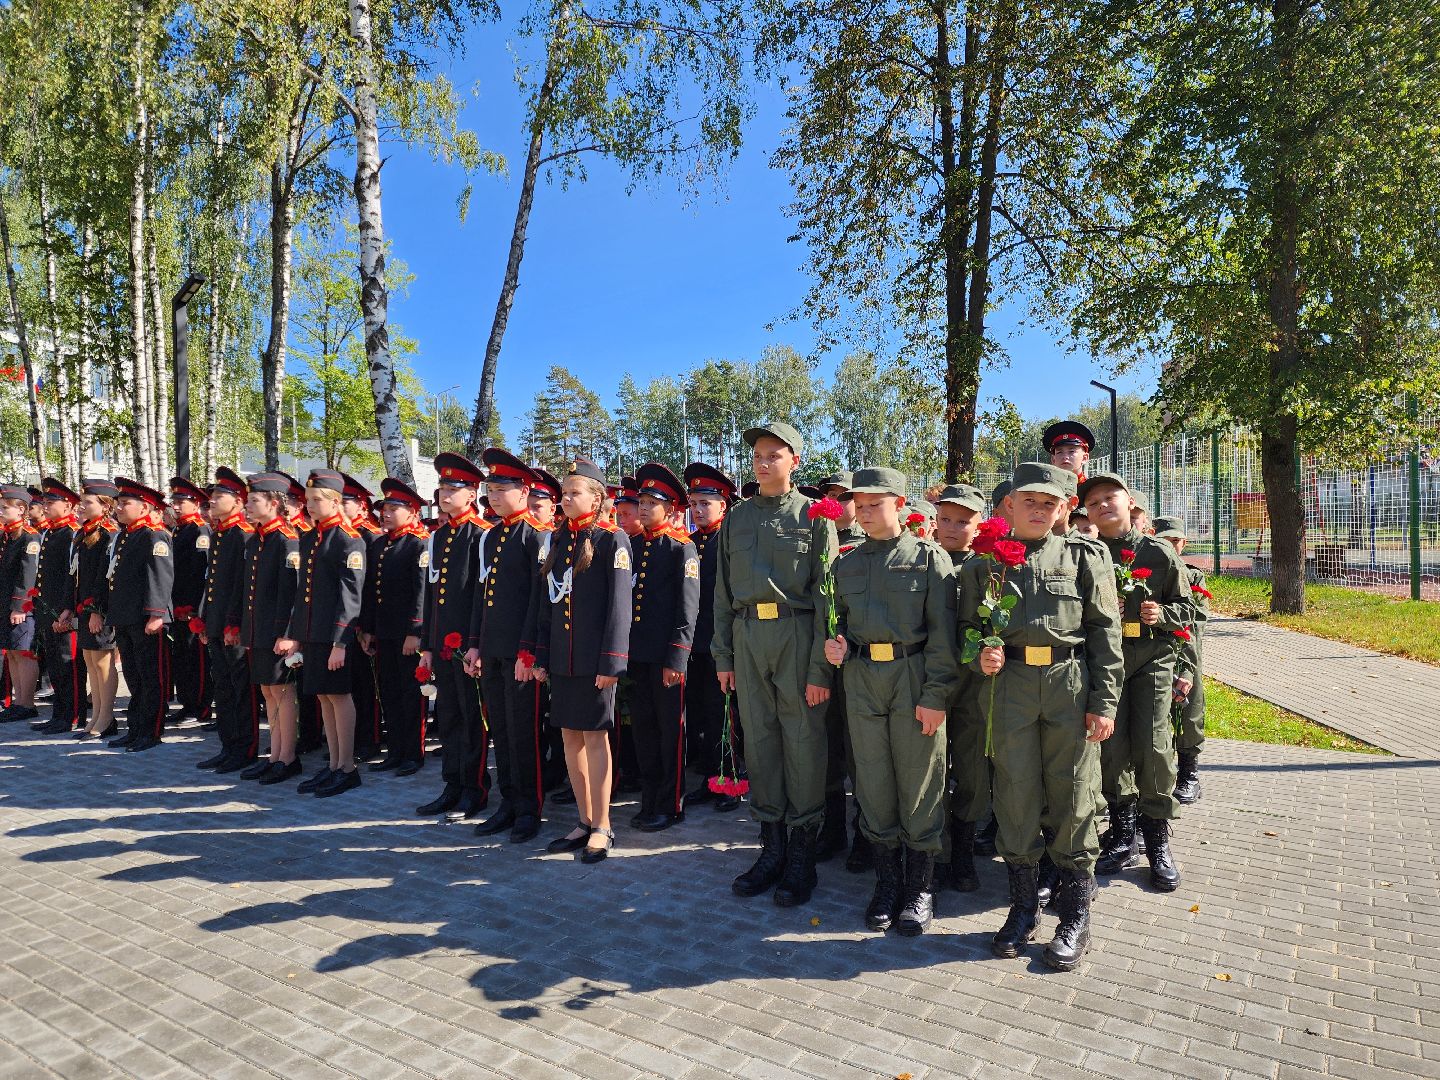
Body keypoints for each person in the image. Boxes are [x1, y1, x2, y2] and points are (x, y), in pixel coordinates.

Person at [960, 462, 1124, 969]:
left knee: (1075, 793)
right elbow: (965, 630)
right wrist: (979, 654)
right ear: (1008, 505)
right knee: (1014, 793)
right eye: (1028, 500)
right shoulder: (981, 565)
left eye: (1049, 503)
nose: (1038, 510)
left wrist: (1105, 701)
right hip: (1008, 689)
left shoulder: (1084, 557)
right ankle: (1023, 906)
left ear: (1064, 509)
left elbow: (1104, 631)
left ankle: (1075, 912)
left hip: (1068, 686)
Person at [823, 467, 958, 935]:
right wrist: (836, 646)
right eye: (858, 504)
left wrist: (936, 694)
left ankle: (920, 888)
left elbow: (944, 637)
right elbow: (836, 624)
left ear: (900, 505)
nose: (863, 511)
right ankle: (886, 882)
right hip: (861, 677)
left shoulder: (928, 559)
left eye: (874, 503)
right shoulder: (846, 563)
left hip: (913, 675)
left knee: (920, 780)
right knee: (873, 781)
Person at [713, 421, 838, 907]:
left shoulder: (814, 518)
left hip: (798, 634)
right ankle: (772, 850)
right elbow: (722, 594)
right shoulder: (737, 519)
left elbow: (827, 597)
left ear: (794, 461)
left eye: (774, 455)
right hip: (748, 636)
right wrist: (723, 655)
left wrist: (818, 670)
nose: (763, 463)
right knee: (760, 741)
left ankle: (802, 856)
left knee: (804, 743)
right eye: (758, 455)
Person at [1079, 472, 1194, 892]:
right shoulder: (1085, 553)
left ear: (1130, 503)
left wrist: (1161, 615)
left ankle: (1157, 838)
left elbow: (1189, 610)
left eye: (1111, 497)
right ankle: (1122, 832)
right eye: (1094, 502)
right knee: (1111, 748)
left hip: (1151, 658)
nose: (1103, 505)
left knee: (1153, 745)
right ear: (1086, 512)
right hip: (1105, 663)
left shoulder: (1159, 552)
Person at [519, 458, 632, 864]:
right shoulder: (558, 540)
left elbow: (620, 609)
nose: (566, 499)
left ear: (597, 498)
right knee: (569, 736)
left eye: (574, 493)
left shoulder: (611, 539)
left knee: (596, 738)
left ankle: (603, 825)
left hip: (595, 662)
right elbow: (546, 606)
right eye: (563, 494)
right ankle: (583, 820)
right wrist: (539, 655)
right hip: (563, 661)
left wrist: (612, 663)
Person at [464, 448, 548, 843]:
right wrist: (475, 645)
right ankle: (508, 801)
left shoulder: (536, 536)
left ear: (524, 490)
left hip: (520, 653)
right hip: (494, 650)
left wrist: (528, 651)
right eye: (490, 489)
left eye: (501, 488)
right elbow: (483, 595)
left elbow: (539, 599)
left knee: (524, 732)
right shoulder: (491, 536)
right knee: (499, 728)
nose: (493, 496)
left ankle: (530, 809)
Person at [277, 470, 366, 796]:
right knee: (324, 698)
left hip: (333, 638)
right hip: (313, 635)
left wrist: (341, 643)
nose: (311, 506)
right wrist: (297, 635)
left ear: (335, 501)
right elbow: (304, 594)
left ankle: (347, 767)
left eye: (317, 500)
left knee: (339, 698)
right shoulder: (312, 537)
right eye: (309, 501)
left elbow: (350, 596)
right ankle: (332, 766)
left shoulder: (347, 538)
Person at [416, 452, 492, 819]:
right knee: (448, 717)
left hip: (467, 647)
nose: (444, 495)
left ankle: (475, 789)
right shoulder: (440, 536)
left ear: (472, 492)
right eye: (442, 488)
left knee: (472, 719)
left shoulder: (482, 536)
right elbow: (433, 595)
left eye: (452, 488)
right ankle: (453, 784)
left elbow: (481, 596)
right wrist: (428, 646)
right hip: (443, 646)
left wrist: (475, 644)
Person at [625, 462, 699, 833]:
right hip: (638, 656)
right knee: (644, 729)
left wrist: (677, 657)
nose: (642, 508)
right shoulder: (635, 545)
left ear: (670, 509)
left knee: (670, 731)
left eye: (651, 502)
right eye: (641, 501)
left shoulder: (680, 549)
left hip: (666, 659)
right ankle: (649, 796)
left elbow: (687, 609)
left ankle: (671, 803)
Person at [932, 482, 988, 892]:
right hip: (930, 681)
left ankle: (964, 853)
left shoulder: (988, 568)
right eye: (945, 519)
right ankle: (931, 851)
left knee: (970, 768)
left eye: (963, 521)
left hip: (973, 685)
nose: (952, 528)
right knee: (929, 768)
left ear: (979, 524)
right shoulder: (921, 562)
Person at [360, 478, 430, 776]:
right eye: (384, 508)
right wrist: (368, 628)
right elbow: (371, 592)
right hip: (385, 631)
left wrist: (415, 631)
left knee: (410, 694)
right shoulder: (381, 544)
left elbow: (421, 591)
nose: (385, 513)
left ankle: (413, 753)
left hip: (406, 635)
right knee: (388, 691)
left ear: (413, 512)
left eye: (393, 508)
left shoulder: (418, 545)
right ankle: (396, 750)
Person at [681, 462, 740, 812]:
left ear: (723, 504)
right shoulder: (689, 543)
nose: (699, 510)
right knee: (701, 713)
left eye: (707, 503)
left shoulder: (729, 541)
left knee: (724, 714)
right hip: (695, 643)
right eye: (695, 503)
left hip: (722, 642)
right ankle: (708, 777)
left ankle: (729, 779)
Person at [102, 478, 175, 752]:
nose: (118, 508)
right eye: (118, 503)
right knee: (133, 676)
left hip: (146, 619)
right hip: (125, 616)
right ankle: (135, 728)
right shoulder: (127, 534)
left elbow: (160, 578)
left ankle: (151, 731)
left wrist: (156, 614)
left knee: (150, 676)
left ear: (145, 508)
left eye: (125, 504)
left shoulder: (155, 535)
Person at [237, 474, 301, 784]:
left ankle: (287, 757)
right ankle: (274, 754)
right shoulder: (258, 538)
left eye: (253, 501)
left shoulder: (286, 540)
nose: (247, 505)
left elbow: (291, 594)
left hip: (277, 631)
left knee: (282, 692)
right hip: (258, 629)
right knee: (267, 692)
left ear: (273, 503)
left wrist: (288, 634)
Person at [195, 468, 258, 773]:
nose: (212, 502)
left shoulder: (243, 534)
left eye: (219, 497)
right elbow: (213, 584)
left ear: (238, 501)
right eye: (212, 497)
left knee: (240, 690)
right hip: (217, 622)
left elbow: (242, 586)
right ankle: (227, 745)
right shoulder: (220, 532)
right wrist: (207, 620)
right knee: (222, 686)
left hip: (234, 626)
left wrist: (234, 623)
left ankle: (245, 749)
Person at [1153, 515, 1209, 804]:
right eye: (1165, 541)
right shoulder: (1149, 572)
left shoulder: (1193, 576)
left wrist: (1186, 669)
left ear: (1184, 544)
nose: (1171, 546)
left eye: (1176, 541)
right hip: (1155, 652)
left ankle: (1189, 773)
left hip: (1186, 650)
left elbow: (1194, 625)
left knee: (1191, 707)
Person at [68, 480, 120, 740]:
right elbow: (77, 575)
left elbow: (104, 578)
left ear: (106, 505)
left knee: (102, 662)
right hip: (85, 608)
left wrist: (97, 610)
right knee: (90, 662)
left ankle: (106, 717)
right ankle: (96, 715)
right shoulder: (85, 532)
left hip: (100, 608)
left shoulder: (109, 533)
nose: (83, 506)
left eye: (88, 502)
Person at [33, 478, 85, 734]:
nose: (45, 505)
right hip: (48, 610)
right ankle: (59, 713)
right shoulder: (51, 532)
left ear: (68, 505)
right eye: (45, 501)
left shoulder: (71, 534)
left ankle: (73, 715)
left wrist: (66, 610)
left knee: (69, 665)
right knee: (55, 666)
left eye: (51, 502)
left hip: (63, 612)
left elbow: (71, 576)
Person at [340, 473, 384, 762]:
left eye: (345, 502)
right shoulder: (345, 535)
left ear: (361, 505)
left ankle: (369, 740)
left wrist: (365, 626)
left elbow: (368, 589)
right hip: (346, 625)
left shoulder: (369, 537)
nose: (339, 506)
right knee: (349, 686)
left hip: (362, 624)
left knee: (366, 688)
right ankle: (352, 739)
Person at [167, 477, 213, 727]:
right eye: (174, 501)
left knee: (197, 661)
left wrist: (196, 609)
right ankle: (187, 703)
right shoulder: (180, 528)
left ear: (195, 503)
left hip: (193, 607)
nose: (175, 506)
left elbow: (201, 573)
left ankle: (201, 707)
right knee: (183, 659)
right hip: (179, 605)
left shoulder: (199, 530)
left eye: (181, 501)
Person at [0, 485, 41, 725]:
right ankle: (18, 702)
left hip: (22, 607)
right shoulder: (8, 536)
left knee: (24, 653)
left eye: (6, 508)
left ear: (22, 509)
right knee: (12, 653)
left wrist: (19, 605)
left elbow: (28, 575)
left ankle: (27, 703)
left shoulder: (29, 536)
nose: (2, 511)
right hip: (6, 603)